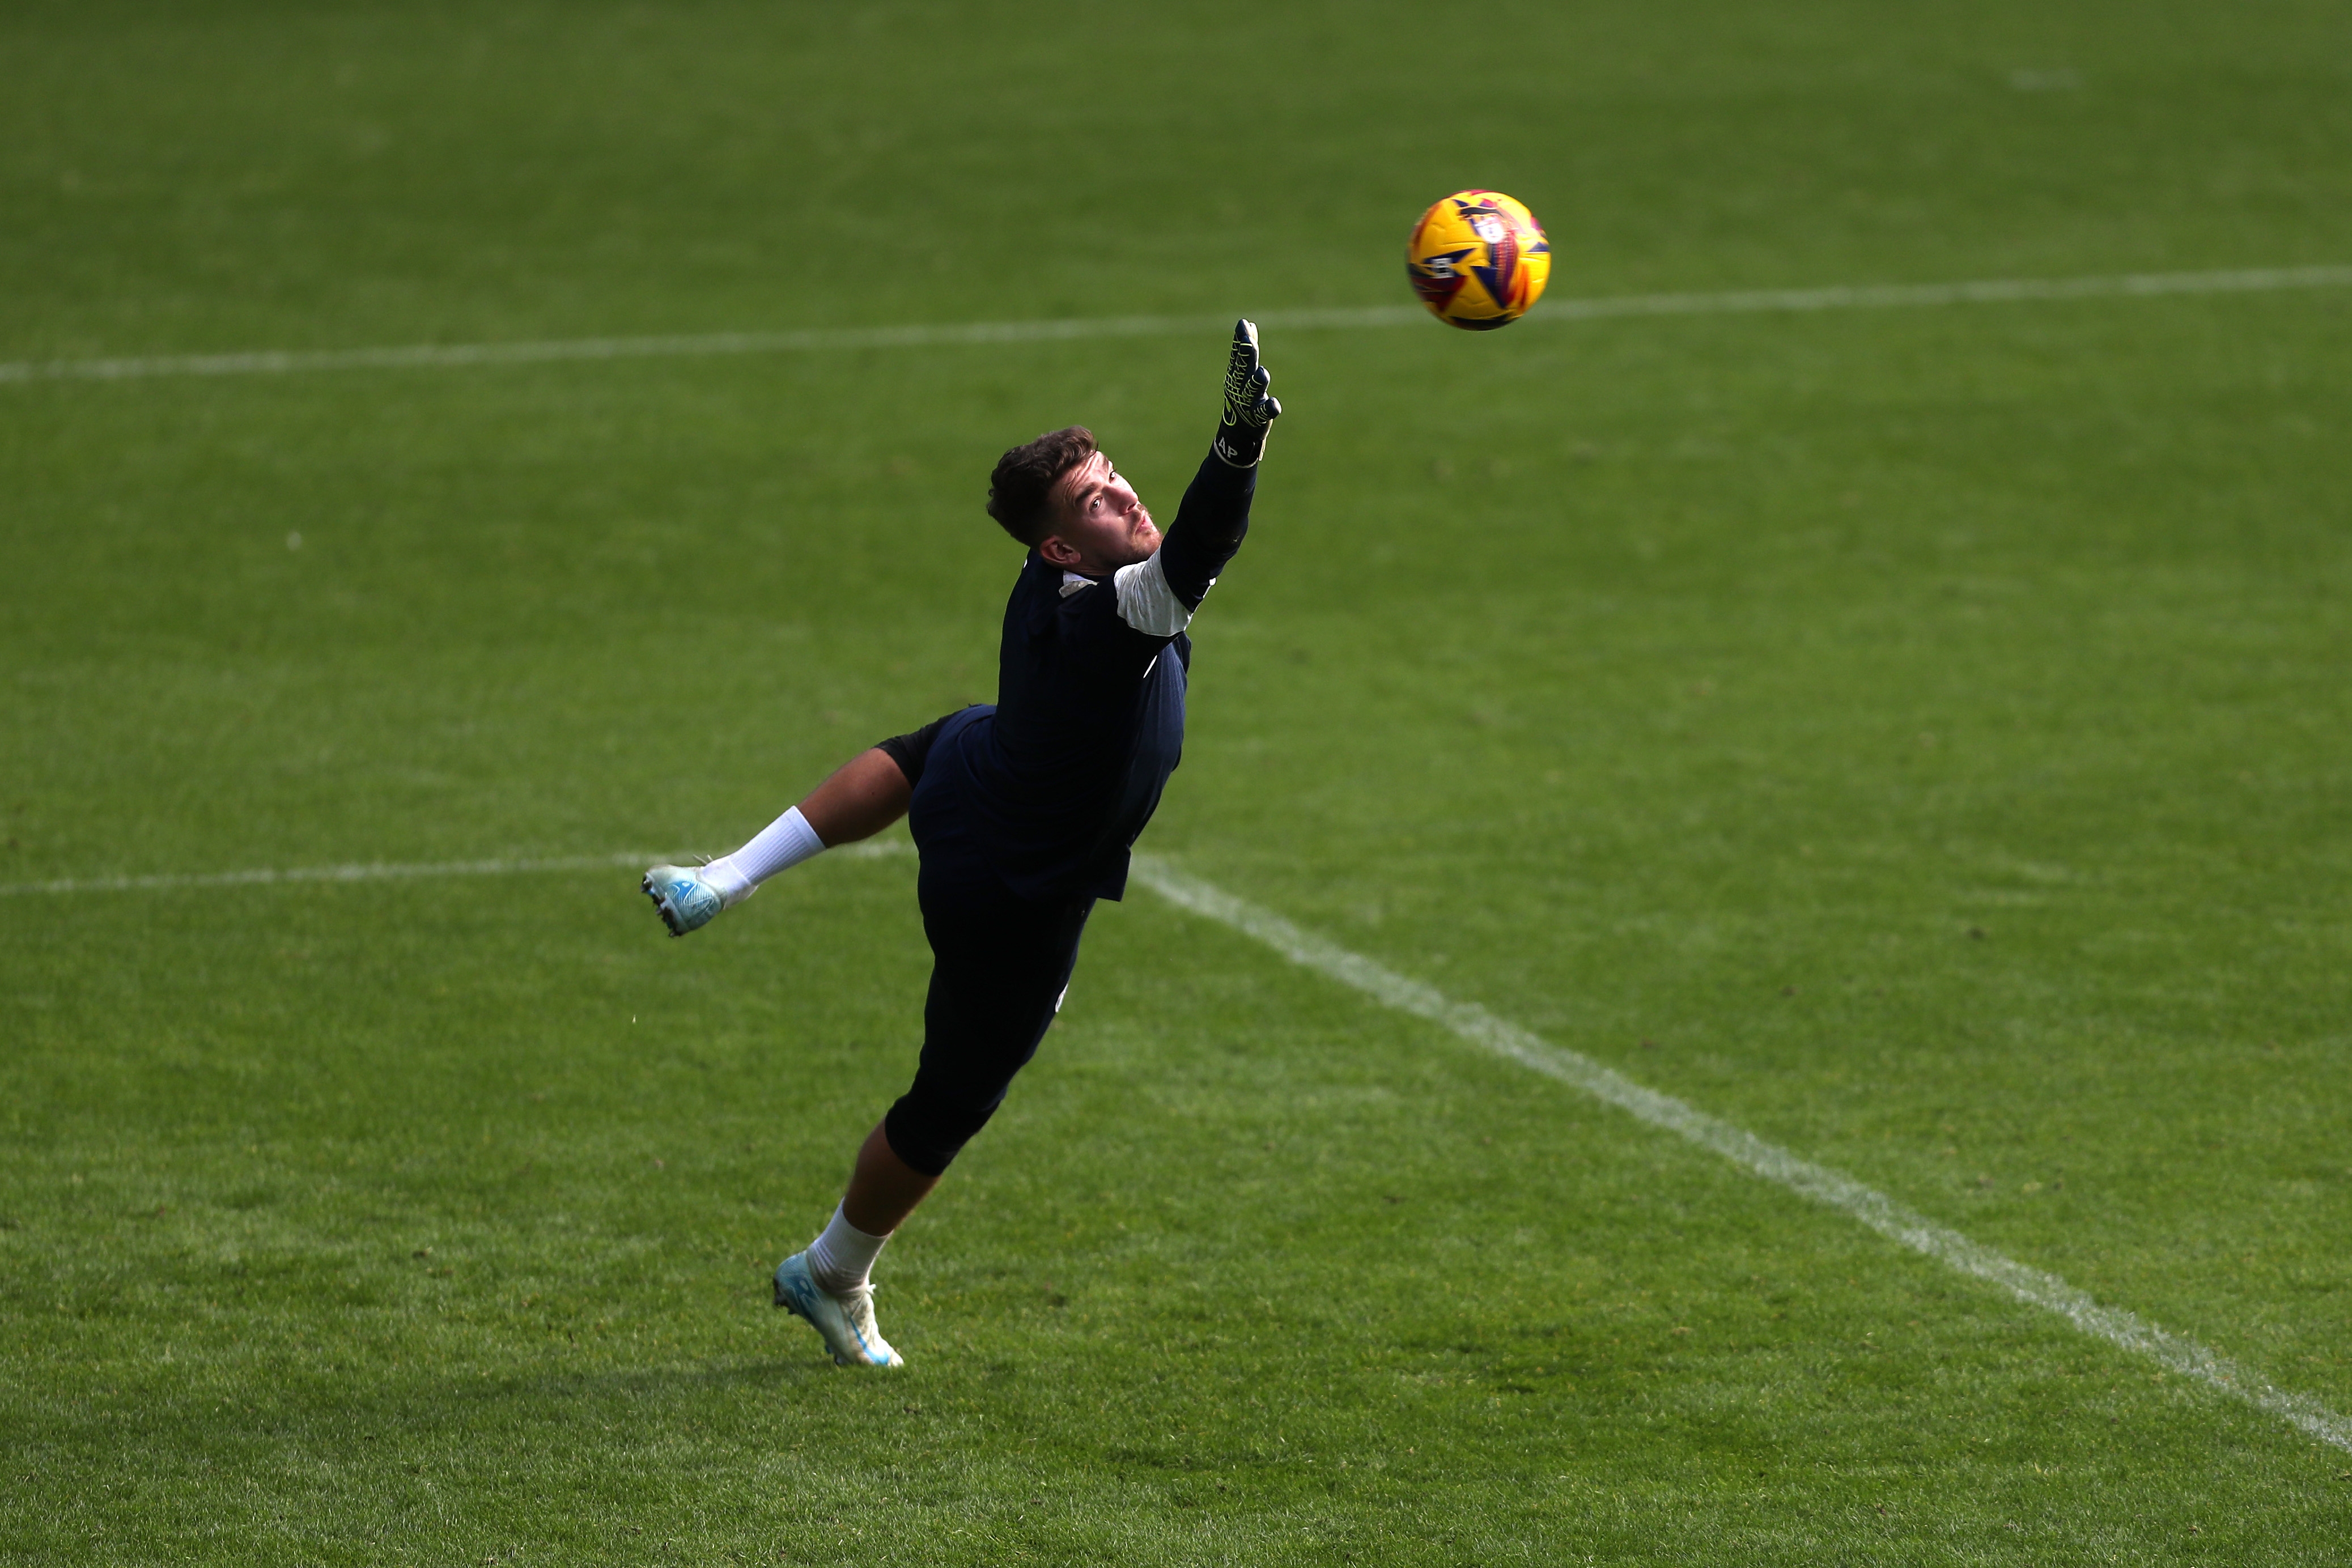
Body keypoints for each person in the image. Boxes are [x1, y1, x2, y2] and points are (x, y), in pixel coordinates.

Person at [641, 321, 1281, 1367]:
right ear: (1059, 550)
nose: (1124, 496)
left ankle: (725, 877)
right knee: (951, 1100)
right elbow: (1204, 547)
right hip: (1014, 894)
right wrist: (1238, 442)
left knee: (939, 737)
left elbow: (1168, 554)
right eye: (1092, 501)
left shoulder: (1054, 588)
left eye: (1114, 475)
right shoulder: (1111, 619)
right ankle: (832, 1273)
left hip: (971, 784)